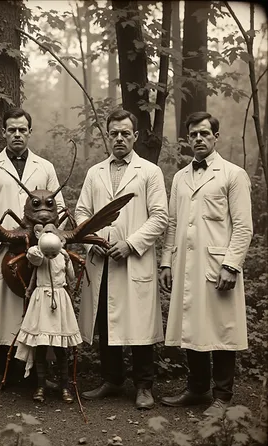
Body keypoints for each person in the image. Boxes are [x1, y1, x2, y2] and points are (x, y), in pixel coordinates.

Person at [159, 112, 253, 417]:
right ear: (187, 139)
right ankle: (197, 389)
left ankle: (222, 395)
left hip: (218, 264)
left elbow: (242, 226)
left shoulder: (232, 174)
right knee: (192, 324)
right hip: (186, 263)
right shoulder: (180, 177)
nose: (198, 139)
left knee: (222, 327)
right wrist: (166, 263)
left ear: (216, 137)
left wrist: (231, 265)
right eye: (193, 135)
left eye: (204, 134)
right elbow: (172, 223)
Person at [75, 109, 168, 409]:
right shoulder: (95, 172)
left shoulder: (149, 172)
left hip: (133, 259)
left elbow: (160, 217)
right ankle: (111, 379)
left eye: (125, 133)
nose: (119, 138)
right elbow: (81, 213)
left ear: (135, 136)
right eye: (114, 133)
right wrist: (93, 242)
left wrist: (130, 244)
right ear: (108, 135)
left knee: (139, 322)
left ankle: (144, 385)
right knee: (105, 316)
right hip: (102, 258)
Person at [0, 107, 65, 395]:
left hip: (36, 252)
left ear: (29, 132)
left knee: (33, 313)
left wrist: (44, 236)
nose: (17, 134)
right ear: (3, 132)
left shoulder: (45, 167)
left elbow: (57, 210)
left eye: (22, 129)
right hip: (1, 249)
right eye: (11, 129)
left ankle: (35, 375)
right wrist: (4, 237)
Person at [15, 227, 82, 403]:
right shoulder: (40, 255)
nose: (52, 256)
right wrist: (44, 244)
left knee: (61, 348)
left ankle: (65, 387)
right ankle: (41, 385)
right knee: (41, 346)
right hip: (41, 302)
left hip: (59, 301)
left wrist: (66, 259)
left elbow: (72, 277)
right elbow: (32, 255)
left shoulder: (62, 255)